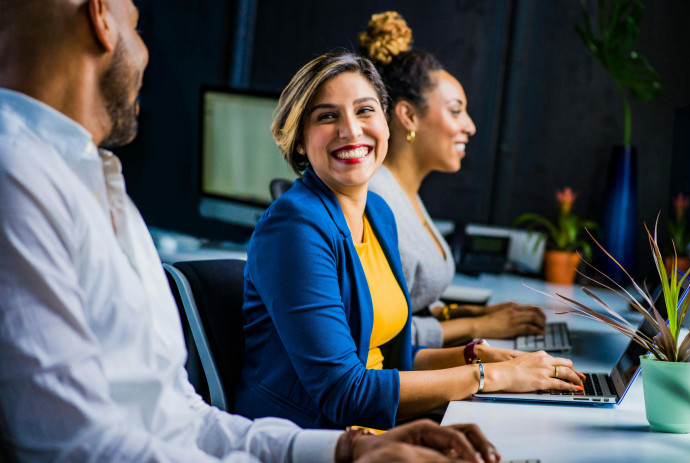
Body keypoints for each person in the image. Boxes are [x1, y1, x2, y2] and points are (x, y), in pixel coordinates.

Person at [0, 1, 502, 462]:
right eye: (136, 24)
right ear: (101, 17)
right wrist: (483, 375)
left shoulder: (100, 185)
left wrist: (346, 452)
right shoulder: (18, 178)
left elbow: (180, 416)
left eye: (365, 110)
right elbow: (78, 446)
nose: (148, 52)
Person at [235, 50, 584, 432]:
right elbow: (344, 392)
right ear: (300, 140)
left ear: (386, 123)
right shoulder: (294, 227)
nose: (351, 130)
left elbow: (390, 360)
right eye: (327, 116)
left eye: (365, 111)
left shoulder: (379, 214)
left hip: (377, 430)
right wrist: (490, 377)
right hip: (309, 438)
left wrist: (477, 356)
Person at [362, 11, 547, 349]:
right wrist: (479, 326)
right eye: (455, 110)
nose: (470, 126)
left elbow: (411, 305)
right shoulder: (377, 200)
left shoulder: (405, 193)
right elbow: (381, 336)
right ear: (408, 115)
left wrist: (472, 314)